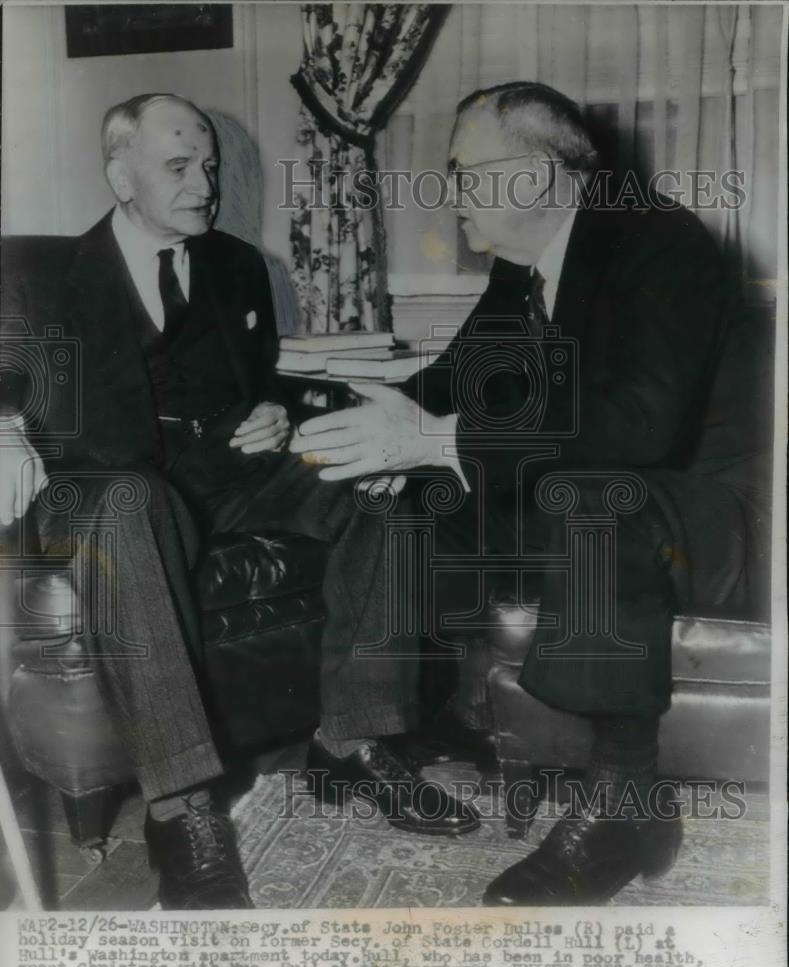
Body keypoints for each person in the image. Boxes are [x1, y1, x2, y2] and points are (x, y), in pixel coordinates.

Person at [293, 81, 769, 904]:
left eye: (463, 171)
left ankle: (621, 804)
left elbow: (637, 428)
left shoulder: (658, 242)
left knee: (589, 500)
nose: (447, 193)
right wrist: (346, 426)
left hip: (711, 512)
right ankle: (353, 734)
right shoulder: (521, 272)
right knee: (395, 495)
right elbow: (452, 386)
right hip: (599, 497)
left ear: (538, 176)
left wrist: (433, 439)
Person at [0, 93, 479, 910]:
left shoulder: (236, 264)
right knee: (129, 499)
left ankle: (352, 742)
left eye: (209, 166)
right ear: (121, 176)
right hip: (102, 488)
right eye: (178, 167)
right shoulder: (42, 280)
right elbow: (35, 400)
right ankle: (181, 809)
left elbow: (261, 384)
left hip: (225, 476)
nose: (203, 185)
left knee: (375, 480)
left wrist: (273, 413)